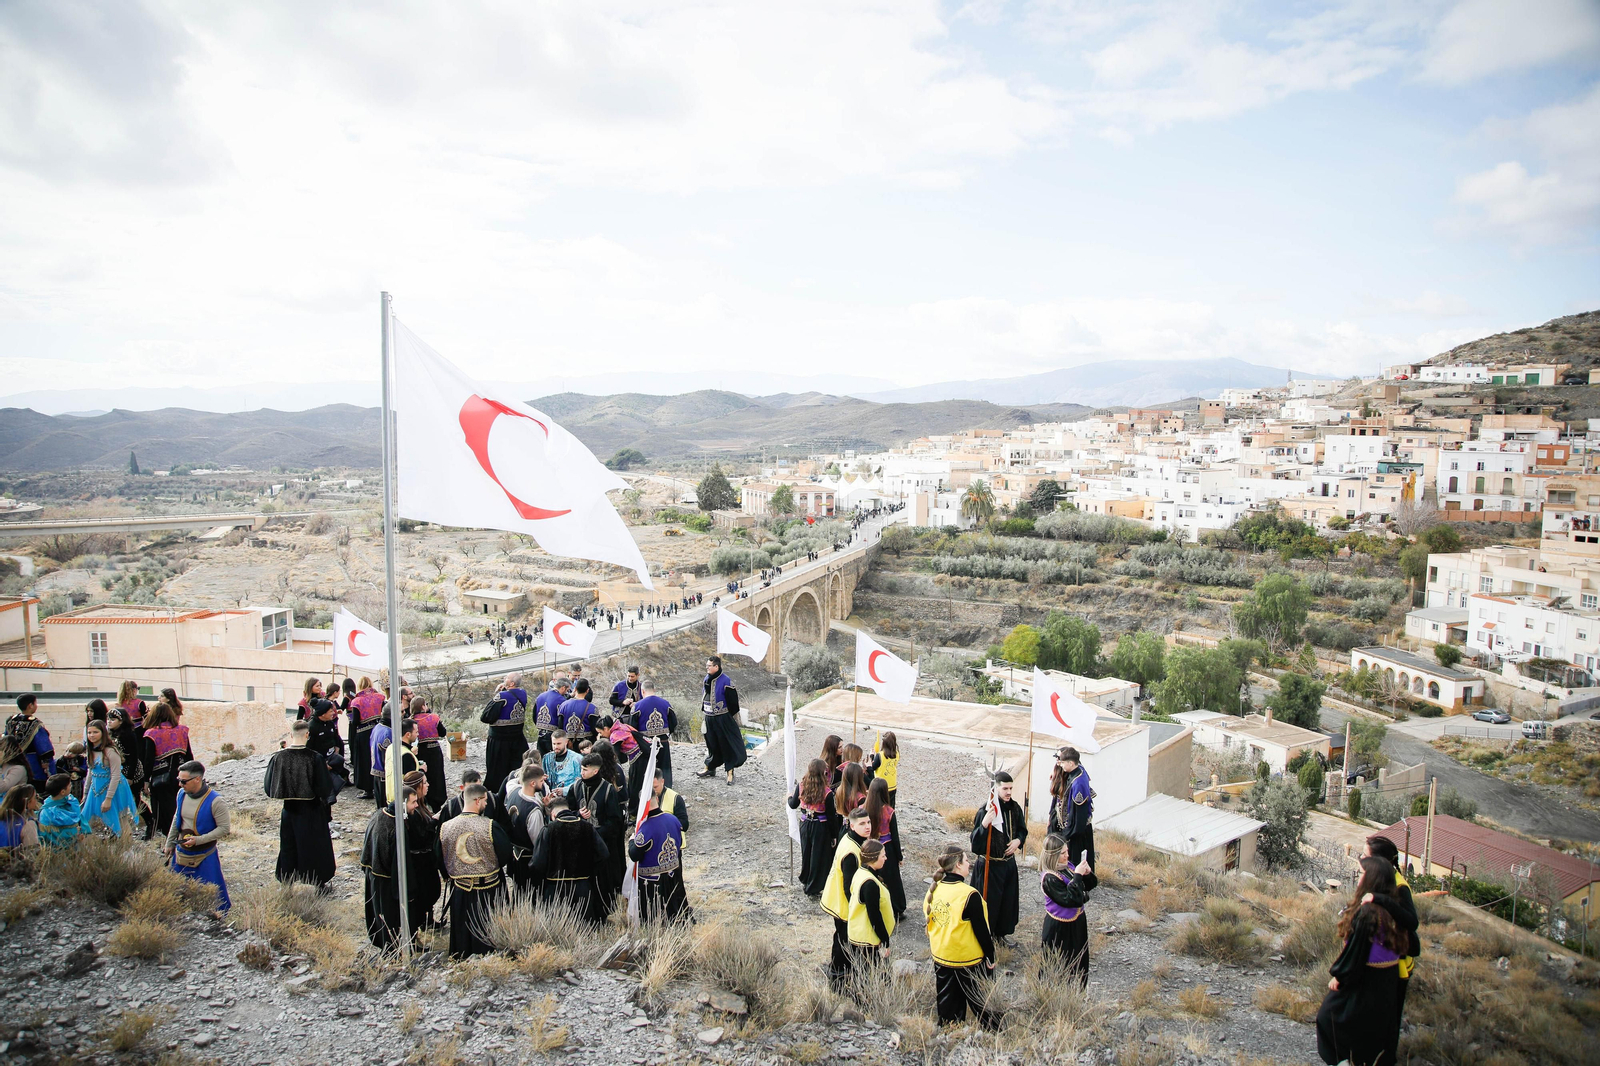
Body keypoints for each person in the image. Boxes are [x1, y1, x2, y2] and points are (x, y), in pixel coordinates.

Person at [1316, 856, 1407, 1066]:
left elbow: (1358, 951)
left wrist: (1340, 977)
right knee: (1371, 1028)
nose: (1359, 877)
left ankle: (1343, 1061)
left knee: (1329, 1017)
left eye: (1362, 873)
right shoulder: (1391, 908)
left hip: (1367, 978)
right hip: (1387, 978)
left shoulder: (1368, 913)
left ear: (1372, 878)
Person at [925, 844, 1000, 1030]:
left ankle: (950, 1032)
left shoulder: (934, 890)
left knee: (947, 1002)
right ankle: (995, 1033)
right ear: (958, 865)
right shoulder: (969, 895)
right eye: (966, 861)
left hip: (942, 956)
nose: (969, 864)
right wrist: (990, 956)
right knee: (982, 1002)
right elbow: (982, 932)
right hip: (968, 959)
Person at [438, 781, 512, 958]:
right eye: (485, 801)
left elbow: (439, 857)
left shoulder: (446, 827)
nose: (486, 805)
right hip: (490, 890)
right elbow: (505, 853)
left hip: (460, 890)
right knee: (489, 932)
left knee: (462, 935)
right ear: (478, 801)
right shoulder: (489, 825)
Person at [264, 721, 336, 889]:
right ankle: (318, 883)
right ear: (307, 735)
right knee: (315, 846)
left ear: (291, 735)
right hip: (311, 810)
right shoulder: (315, 758)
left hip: (289, 810)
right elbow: (325, 788)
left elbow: (269, 787)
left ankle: (287, 882)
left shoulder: (278, 757)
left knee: (289, 846)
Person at [1365, 835, 1422, 1023]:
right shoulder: (1379, 879)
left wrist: (1381, 899)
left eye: (1366, 856)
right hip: (1380, 958)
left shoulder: (1399, 887)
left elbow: (1412, 922)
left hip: (1396, 965)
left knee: (1390, 1016)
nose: (1362, 860)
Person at [530, 789, 610, 924]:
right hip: (583, 888)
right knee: (584, 930)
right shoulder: (588, 828)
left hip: (555, 890)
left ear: (553, 814)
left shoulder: (548, 830)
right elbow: (604, 854)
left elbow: (538, 863)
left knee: (558, 930)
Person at [165, 761, 231, 913]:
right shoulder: (181, 794)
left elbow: (224, 828)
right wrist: (169, 843)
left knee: (212, 899)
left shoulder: (216, 801)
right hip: (181, 854)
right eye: (178, 780)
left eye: (184, 781)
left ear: (197, 779)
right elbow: (177, 818)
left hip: (204, 857)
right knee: (178, 894)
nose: (180, 785)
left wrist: (199, 840)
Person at [969, 771, 1026, 946]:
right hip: (989, 866)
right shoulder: (985, 811)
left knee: (1007, 903)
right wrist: (985, 824)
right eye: (1005, 789)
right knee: (989, 904)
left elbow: (1022, 831)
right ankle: (985, 937)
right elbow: (975, 845)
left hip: (1008, 865)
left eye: (1010, 788)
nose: (1008, 792)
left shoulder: (1015, 808)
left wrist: (1018, 841)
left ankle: (1000, 935)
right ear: (996, 788)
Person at [628, 766, 691, 923]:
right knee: (673, 900)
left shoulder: (647, 828)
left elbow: (635, 854)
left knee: (655, 910)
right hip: (671, 867)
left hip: (653, 879)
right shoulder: (672, 820)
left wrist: (631, 841)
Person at [821, 806, 874, 988]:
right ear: (852, 826)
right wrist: (856, 911)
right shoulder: (852, 851)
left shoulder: (850, 839)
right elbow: (849, 887)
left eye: (868, 822)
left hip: (837, 900)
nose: (867, 827)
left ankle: (840, 975)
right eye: (862, 824)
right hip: (843, 904)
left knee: (842, 939)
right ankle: (839, 978)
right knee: (844, 942)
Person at [1039, 833, 1097, 986]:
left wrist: (1087, 874)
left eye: (1067, 851)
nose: (1067, 855)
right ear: (1053, 855)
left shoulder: (1068, 867)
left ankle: (1076, 995)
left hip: (1077, 923)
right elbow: (1070, 899)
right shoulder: (1049, 878)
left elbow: (1089, 886)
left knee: (1078, 963)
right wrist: (1077, 877)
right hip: (1059, 929)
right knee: (1058, 965)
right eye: (1063, 853)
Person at [361, 786, 413, 950]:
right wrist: (407, 892)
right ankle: (392, 952)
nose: (416, 805)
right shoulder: (396, 827)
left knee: (378, 916)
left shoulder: (379, 813)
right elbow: (400, 863)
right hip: (385, 880)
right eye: (413, 802)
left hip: (372, 874)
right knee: (389, 921)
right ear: (404, 803)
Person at [576, 752, 626, 910]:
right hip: (581, 843)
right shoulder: (577, 786)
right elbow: (569, 809)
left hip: (602, 844)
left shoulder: (607, 790)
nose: (582, 773)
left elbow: (615, 821)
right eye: (581, 769)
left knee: (603, 881)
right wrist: (578, 814)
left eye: (585, 769)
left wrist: (597, 834)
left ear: (595, 771)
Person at [846, 838, 895, 978]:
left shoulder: (860, 872)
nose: (886, 858)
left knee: (862, 975)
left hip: (858, 934)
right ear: (874, 858)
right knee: (870, 977)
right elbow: (874, 915)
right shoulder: (870, 883)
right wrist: (885, 940)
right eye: (883, 855)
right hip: (867, 939)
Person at [142, 699, 192, 837]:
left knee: (163, 810)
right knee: (181, 806)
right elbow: (189, 755)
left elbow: (148, 760)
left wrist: (145, 781)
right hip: (182, 776)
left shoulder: (151, 734)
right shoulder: (182, 731)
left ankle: (168, 838)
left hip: (161, 778)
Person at [81, 720, 137, 838]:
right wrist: (85, 793)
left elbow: (116, 775)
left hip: (115, 788)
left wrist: (108, 798)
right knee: (86, 819)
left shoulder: (111, 751)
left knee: (121, 819)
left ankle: (126, 847)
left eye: (95, 732)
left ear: (103, 733)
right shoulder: (90, 750)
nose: (91, 735)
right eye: (89, 732)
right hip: (96, 788)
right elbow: (90, 772)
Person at [696, 655, 747, 785]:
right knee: (712, 744)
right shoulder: (706, 678)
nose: (707, 667)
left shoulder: (726, 681)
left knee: (726, 744)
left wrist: (726, 716)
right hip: (709, 717)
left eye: (709, 665)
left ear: (716, 667)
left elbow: (733, 703)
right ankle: (710, 768)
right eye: (707, 665)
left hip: (722, 718)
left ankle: (730, 772)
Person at [403, 770, 442, 931]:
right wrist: (435, 821)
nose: (427, 785)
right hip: (420, 861)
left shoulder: (422, 805)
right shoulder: (412, 812)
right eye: (424, 783)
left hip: (426, 858)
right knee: (424, 893)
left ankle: (429, 918)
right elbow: (420, 835)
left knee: (431, 890)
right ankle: (421, 922)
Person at [504, 763, 552, 889]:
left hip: (514, 856)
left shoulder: (513, 791)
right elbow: (538, 842)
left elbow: (513, 781)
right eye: (541, 781)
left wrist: (545, 807)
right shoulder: (533, 812)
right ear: (532, 783)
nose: (543, 784)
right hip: (528, 861)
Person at [864, 778, 906, 921]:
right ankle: (897, 909)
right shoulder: (889, 811)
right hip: (886, 847)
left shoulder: (865, 808)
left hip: (870, 846)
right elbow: (895, 836)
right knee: (892, 880)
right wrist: (899, 857)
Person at [789, 758, 832, 897]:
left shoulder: (801, 786)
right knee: (817, 856)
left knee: (806, 852)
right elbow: (831, 816)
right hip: (820, 825)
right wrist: (834, 835)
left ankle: (805, 878)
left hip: (805, 823)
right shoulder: (826, 792)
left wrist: (789, 797)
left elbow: (793, 804)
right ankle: (812, 887)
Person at [1049, 747, 1095, 872]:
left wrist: (1069, 834)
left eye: (1062, 761)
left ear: (1070, 763)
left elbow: (1079, 815)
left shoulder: (1078, 782)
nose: (1059, 764)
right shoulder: (1075, 771)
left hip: (1076, 831)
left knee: (1075, 860)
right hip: (1070, 828)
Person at [484, 672, 531, 795]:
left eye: (507, 678)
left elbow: (486, 716)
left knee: (497, 772)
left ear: (511, 683)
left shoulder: (502, 696)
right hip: (517, 739)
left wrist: (496, 694)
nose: (504, 678)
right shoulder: (523, 694)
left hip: (499, 741)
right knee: (515, 769)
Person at [107, 707, 150, 839]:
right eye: (108, 719)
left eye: (113, 719)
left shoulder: (127, 735)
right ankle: (117, 830)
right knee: (117, 801)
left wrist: (130, 776)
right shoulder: (109, 734)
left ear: (121, 721)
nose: (109, 721)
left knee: (135, 800)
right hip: (116, 771)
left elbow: (133, 756)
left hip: (131, 772)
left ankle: (150, 821)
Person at [2, 694, 54, 791]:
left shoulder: (11, 721)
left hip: (10, 762)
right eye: (35, 703)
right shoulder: (35, 724)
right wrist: (46, 762)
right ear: (30, 705)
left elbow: (6, 740)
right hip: (32, 763)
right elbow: (43, 747)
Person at [631, 680, 677, 788]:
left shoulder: (637, 706)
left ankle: (646, 791)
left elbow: (632, 727)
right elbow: (673, 722)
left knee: (646, 769)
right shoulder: (666, 703)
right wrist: (666, 733)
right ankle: (665, 790)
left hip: (645, 744)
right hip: (663, 742)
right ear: (654, 690)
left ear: (642, 691)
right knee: (664, 768)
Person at [348, 677, 386, 799]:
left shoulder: (357, 701)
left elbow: (355, 721)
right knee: (378, 759)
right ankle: (380, 787)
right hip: (378, 730)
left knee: (364, 761)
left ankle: (367, 789)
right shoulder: (380, 697)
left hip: (363, 734)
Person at [410, 698, 446, 812]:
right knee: (437, 776)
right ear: (422, 706)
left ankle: (421, 801)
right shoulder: (433, 717)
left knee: (422, 775)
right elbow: (442, 732)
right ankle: (437, 804)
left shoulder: (411, 720)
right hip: (434, 750)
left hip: (419, 751)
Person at [383, 718, 419, 809]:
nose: (418, 735)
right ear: (408, 734)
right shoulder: (406, 755)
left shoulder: (391, 747)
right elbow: (412, 780)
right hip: (404, 800)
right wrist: (421, 769)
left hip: (390, 795)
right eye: (416, 732)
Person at [38, 774, 81, 848]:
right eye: (69, 786)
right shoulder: (48, 813)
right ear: (63, 792)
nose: (71, 787)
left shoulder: (71, 801)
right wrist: (76, 834)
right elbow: (55, 836)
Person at [532, 675, 571, 757]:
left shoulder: (540, 696)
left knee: (543, 760)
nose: (567, 692)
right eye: (567, 690)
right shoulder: (562, 701)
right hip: (554, 737)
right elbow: (562, 721)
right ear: (563, 688)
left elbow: (534, 715)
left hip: (540, 734)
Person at [0, 784, 39, 854]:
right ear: (27, 803)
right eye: (35, 797)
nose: (37, 800)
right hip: (16, 863)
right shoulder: (28, 824)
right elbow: (32, 854)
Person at [559, 679, 599, 747]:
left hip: (568, 745)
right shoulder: (592, 708)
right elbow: (595, 729)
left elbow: (560, 727)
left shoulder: (563, 706)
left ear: (575, 689)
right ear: (587, 691)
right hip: (586, 745)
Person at [543, 730, 582, 794]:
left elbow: (580, 782)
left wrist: (565, 790)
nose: (556, 747)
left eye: (558, 743)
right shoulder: (547, 758)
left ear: (566, 742)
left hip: (571, 796)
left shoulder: (577, 759)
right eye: (554, 744)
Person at [868, 731, 899, 807]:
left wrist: (871, 755)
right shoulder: (897, 753)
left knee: (881, 806)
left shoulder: (880, 755)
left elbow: (873, 767)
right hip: (892, 784)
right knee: (891, 807)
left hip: (881, 785)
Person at [370, 713, 394, 810]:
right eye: (401, 712)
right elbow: (388, 756)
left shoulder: (377, 727)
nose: (404, 714)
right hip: (384, 774)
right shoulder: (387, 732)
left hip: (376, 771)